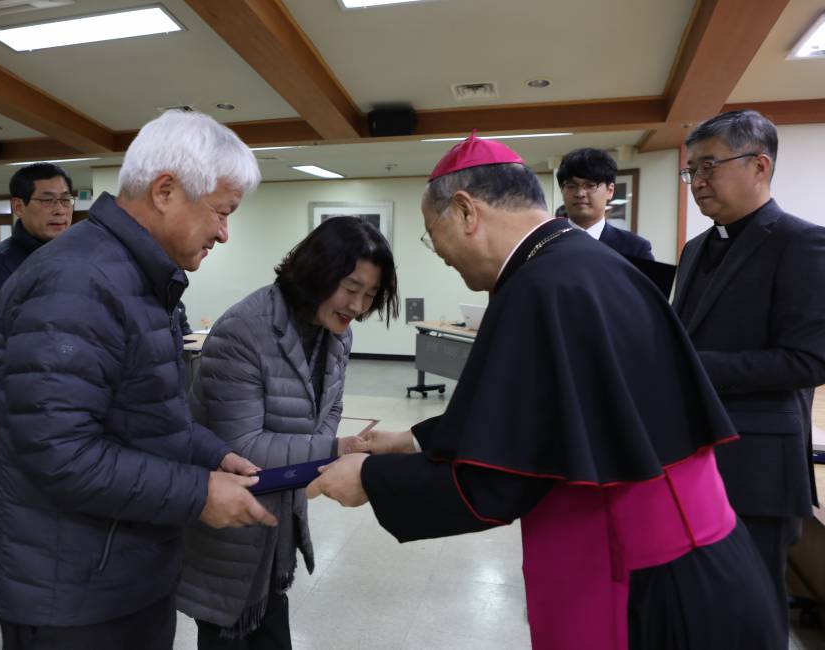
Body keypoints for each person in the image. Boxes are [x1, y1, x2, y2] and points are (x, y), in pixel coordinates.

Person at [307, 133, 784, 649]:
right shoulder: (578, 265)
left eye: (432, 232)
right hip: (696, 556)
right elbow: (547, 415)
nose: (439, 253)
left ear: (466, 211)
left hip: (650, 579)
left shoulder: (539, 286)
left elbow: (497, 484)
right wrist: (413, 441)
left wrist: (372, 480)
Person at [0, 110, 277, 650]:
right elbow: (61, 452)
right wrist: (197, 492)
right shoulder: (75, 281)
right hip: (73, 594)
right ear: (166, 190)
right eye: (220, 212)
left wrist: (211, 455)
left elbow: (147, 414)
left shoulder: (137, 275)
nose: (224, 232)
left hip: (126, 568)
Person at [177, 216, 400, 649]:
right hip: (230, 523)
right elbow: (241, 446)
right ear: (317, 271)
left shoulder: (336, 333)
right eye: (351, 288)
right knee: (226, 627)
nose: (357, 305)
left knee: (269, 621)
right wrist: (334, 451)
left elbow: (331, 406)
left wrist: (318, 460)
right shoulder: (244, 330)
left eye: (370, 295)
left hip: (279, 516)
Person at [673, 109, 825, 636]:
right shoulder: (695, 248)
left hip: (758, 463)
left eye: (709, 165)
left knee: (751, 617)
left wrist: (688, 367)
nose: (698, 181)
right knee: (697, 611)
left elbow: (809, 360)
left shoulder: (803, 243)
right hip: (689, 455)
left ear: (760, 165)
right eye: (691, 169)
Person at [0, 161, 74, 421]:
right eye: (48, 201)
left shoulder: (80, 258)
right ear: (18, 207)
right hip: (24, 409)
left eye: (65, 200)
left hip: (76, 399)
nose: (60, 210)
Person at [556, 148, 653, 260]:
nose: (580, 193)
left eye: (590, 185)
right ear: (562, 190)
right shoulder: (544, 244)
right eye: (571, 186)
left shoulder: (635, 248)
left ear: (610, 190)